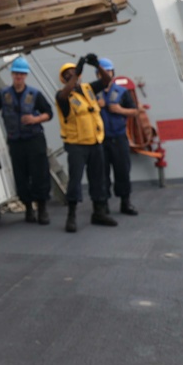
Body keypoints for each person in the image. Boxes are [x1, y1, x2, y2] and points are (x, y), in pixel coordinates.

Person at [0, 56, 54, 225]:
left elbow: (49, 113)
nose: (18, 77)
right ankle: (28, 208)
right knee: (21, 176)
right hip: (16, 142)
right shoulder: (4, 94)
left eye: (21, 74)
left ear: (25, 76)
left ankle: (42, 209)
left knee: (39, 174)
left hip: (34, 140)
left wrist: (35, 120)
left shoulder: (35, 94)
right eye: (16, 74)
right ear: (12, 74)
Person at [55, 54, 118, 233]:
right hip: (76, 145)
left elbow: (107, 80)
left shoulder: (89, 88)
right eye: (67, 74)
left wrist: (97, 65)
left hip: (95, 142)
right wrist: (77, 74)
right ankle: (71, 216)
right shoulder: (62, 95)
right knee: (75, 180)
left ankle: (99, 212)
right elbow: (65, 93)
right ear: (64, 79)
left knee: (98, 178)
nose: (71, 75)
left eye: (73, 72)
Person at [92, 58, 141, 216]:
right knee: (101, 173)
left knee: (123, 170)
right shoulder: (91, 93)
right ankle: (103, 204)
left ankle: (125, 202)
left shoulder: (122, 92)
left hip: (119, 138)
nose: (105, 75)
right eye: (101, 73)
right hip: (100, 140)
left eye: (108, 72)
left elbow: (134, 111)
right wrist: (94, 106)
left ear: (113, 73)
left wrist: (120, 110)